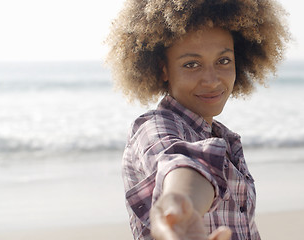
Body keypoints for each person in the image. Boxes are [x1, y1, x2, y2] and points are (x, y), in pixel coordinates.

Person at [106, 0, 289, 239]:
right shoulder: (154, 127)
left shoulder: (221, 136)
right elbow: (179, 163)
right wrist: (181, 207)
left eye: (223, 61)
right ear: (163, 69)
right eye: (192, 64)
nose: (212, 80)